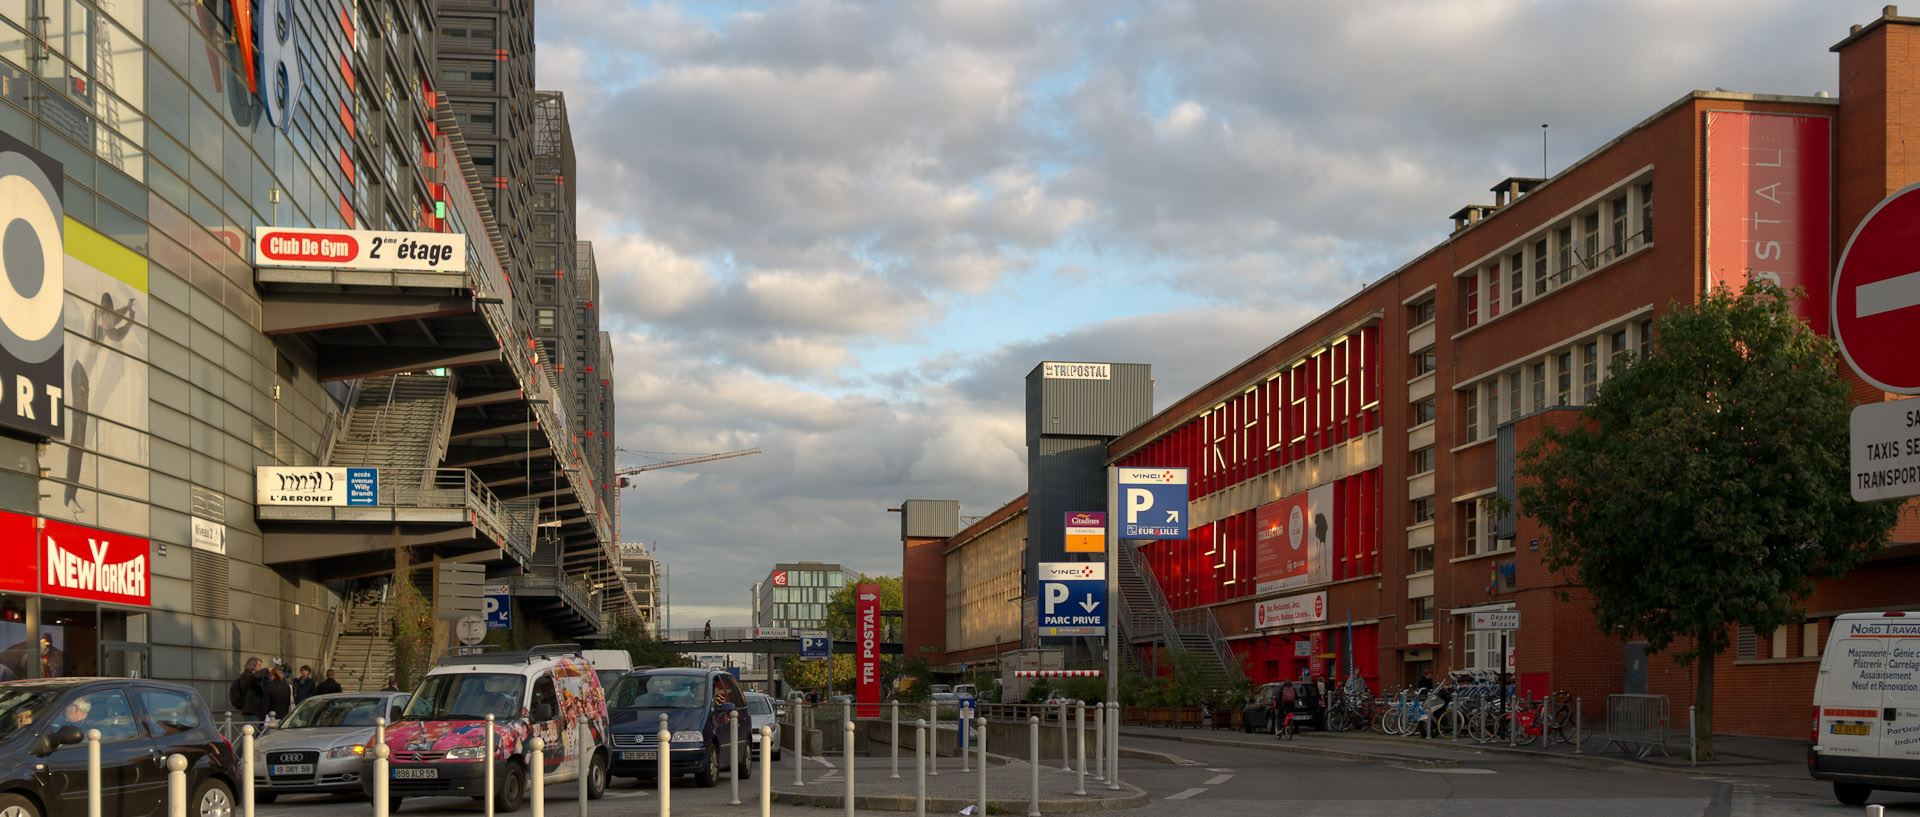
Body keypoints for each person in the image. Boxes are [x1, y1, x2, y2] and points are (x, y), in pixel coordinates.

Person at [233, 657, 269, 722]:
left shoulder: (255, 677)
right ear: (253, 666)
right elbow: (254, 677)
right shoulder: (246, 676)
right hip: (251, 710)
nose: (260, 668)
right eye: (259, 665)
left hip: (258, 710)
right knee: (251, 730)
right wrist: (266, 670)